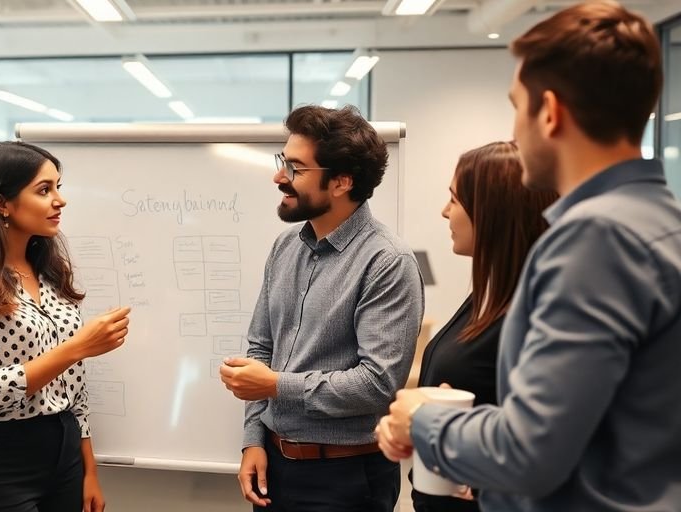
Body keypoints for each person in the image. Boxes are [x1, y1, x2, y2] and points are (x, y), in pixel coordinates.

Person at [378, 2, 681, 510]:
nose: (515, 132)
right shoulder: (658, 221)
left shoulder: (596, 240)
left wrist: (423, 418)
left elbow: (530, 448)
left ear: (550, 112)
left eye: (517, 106)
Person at [218, 105, 423, 512]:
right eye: (283, 162)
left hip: (346, 480)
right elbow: (262, 348)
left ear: (342, 182)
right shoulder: (285, 247)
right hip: (274, 467)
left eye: (295, 168)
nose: (279, 177)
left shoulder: (387, 261)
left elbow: (377, 384)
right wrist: (254, 440)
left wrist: (277, 385)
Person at [0, 141, 129, 512]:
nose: (60, 200)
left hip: (64, 455)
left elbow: (75, 389)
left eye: (58, 187)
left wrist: (89, 471)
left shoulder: (51, 273)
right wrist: (77, 348)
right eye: (44, 190)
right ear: (2, 203)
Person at [411, 141, 556, 512]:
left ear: (491, 213)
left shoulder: (532, 316)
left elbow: (534, 443)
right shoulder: (488, 295)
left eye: (454, 201)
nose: (444, 213)